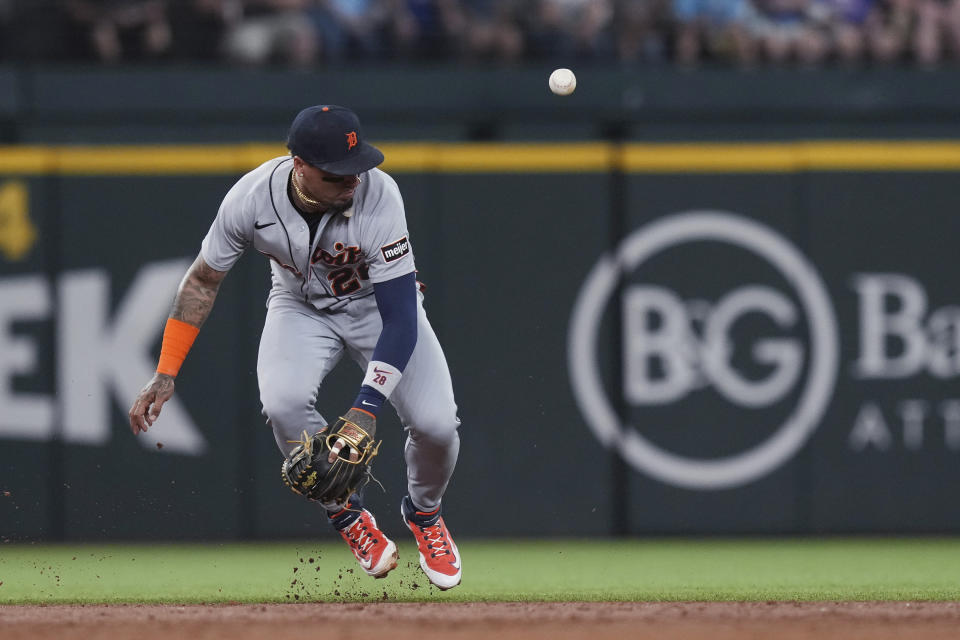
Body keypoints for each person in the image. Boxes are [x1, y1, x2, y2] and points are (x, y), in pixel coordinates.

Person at [127, 104, 463, 591]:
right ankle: (346, 513)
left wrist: (366, 406)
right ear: (299, 166)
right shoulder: (250, 198)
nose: (352, 181)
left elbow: (400, 316)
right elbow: (202, 282)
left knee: (437, 427)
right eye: (336, 174)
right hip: (300, 307)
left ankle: (425, 514)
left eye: (357, 168)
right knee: (282, 404)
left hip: (378, 309)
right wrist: (166, 370)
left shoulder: (379, 194)